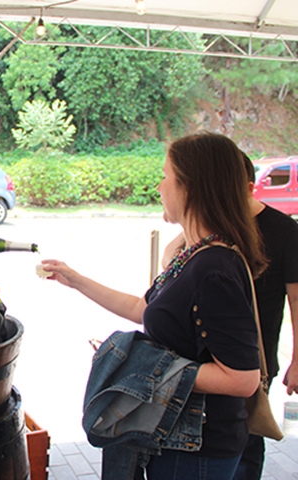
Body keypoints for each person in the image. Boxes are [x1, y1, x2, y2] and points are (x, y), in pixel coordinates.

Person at [41, 131, 265, 480]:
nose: (160, 187)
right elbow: (143, 308)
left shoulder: (214, 270)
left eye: (166, 176)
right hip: (173, 439)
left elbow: (242, 379)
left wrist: (146, 370)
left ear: (189, 188)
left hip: (198, 449)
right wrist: (76, 280)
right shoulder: (194, 255)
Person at [163, 153, 298, 480]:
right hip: (201, 372)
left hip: (253, 366)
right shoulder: (199, 236)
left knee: (245, 453)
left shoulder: (283, 231)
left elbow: (296, 300)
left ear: (249, 188)